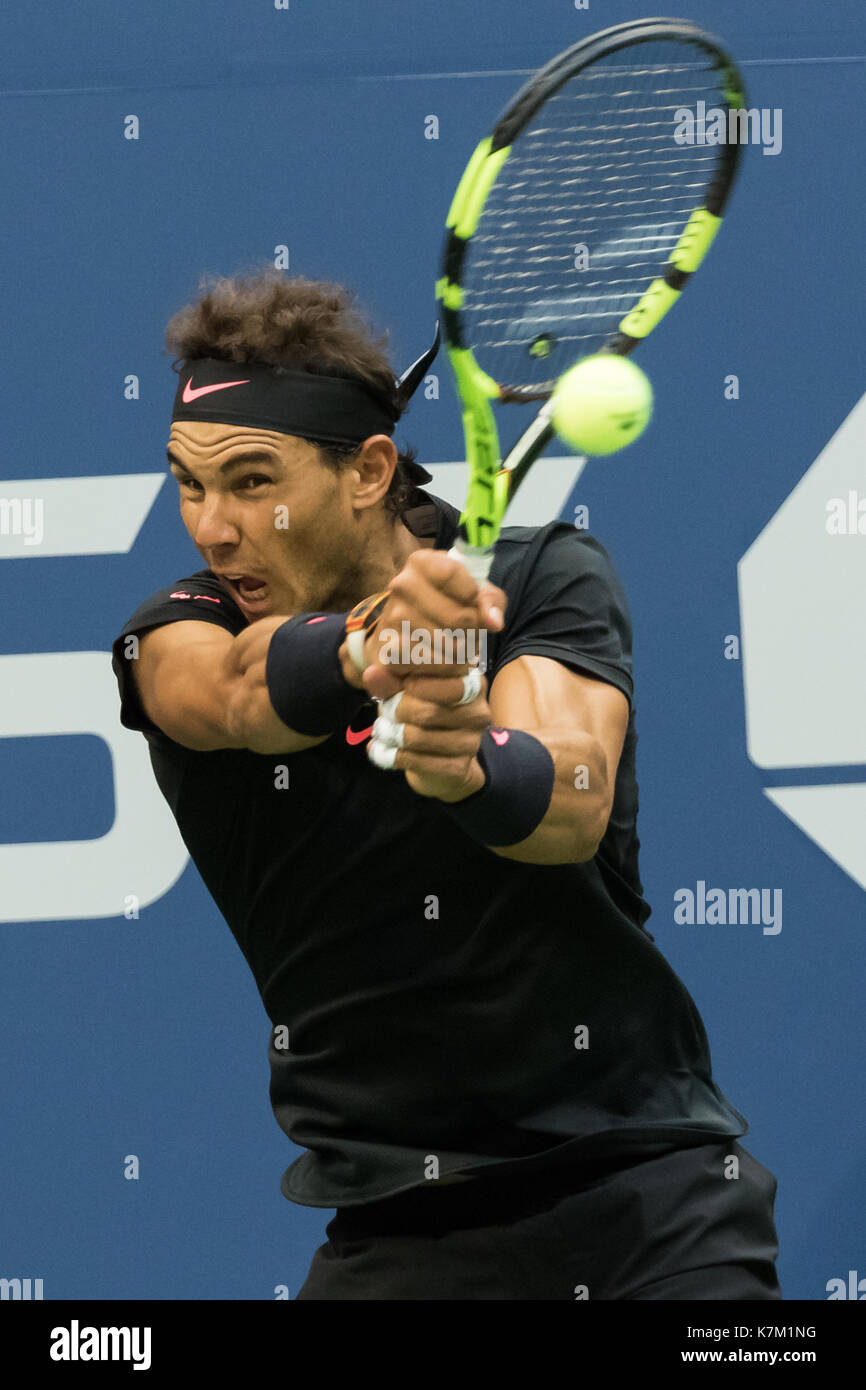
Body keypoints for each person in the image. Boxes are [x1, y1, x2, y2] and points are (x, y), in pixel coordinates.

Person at [111, 268, 781, 1300]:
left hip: (654, 1206)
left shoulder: (543, 576)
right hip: (393, 1237)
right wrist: (369, 645)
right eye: (187, 482)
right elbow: (235, 693)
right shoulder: (179, 630)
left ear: (368, 471)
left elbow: (569, 797)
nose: (211, 524)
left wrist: (469, 761)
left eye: (251, 481)